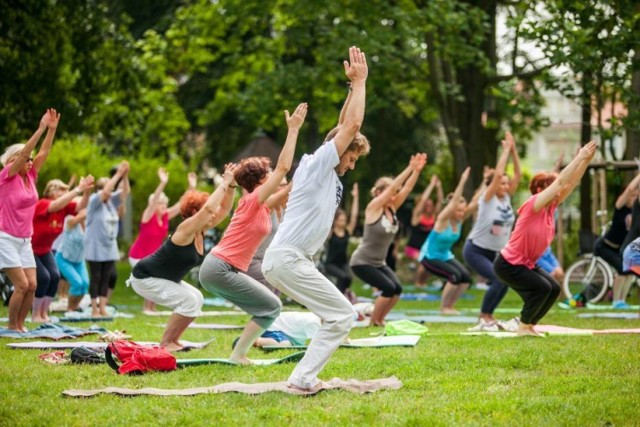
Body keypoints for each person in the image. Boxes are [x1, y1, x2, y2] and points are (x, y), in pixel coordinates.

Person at [262, 46, 369, 392]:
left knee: (335, 314)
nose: (351, 165)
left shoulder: (326, 172)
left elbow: (342, 125)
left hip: (293, 260)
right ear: (338, 149)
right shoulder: (318, 162)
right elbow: (349, 126)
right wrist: (363, 82)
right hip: (288, 258)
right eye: (352, 158)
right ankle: (303, 378)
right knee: (343, 316)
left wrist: (352, 88)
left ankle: (304, 375)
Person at [199, 103, 308, 364]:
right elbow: (283, 168)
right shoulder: (252, 200)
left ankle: (243, 350)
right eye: (268, 174)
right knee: (272, 306)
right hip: (219, 268)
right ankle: (239, 354)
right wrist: (293, 131)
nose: (274, 176)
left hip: (223, 269)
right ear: (260, 182)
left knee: (268, 307)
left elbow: (284, 189)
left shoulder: (260, 205)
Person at [493, 141, 597, 337]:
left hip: (526, 264)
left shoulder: (551, 207)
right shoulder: (534, 203)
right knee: (542, 288)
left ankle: (529, 325)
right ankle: (523, 327)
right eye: (551, 187)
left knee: (553, 288)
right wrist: (579, 156)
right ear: (540, 189)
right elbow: (560, 182)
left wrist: (585, 161)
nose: (557, 190)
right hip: (508, 264)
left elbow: (570, 183)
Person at [129, 166, 237, 352]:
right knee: (188, 299)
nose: (213, 215)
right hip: (144, 277)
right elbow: (211, 207)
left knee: (197, 297)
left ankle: (175, 341)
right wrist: (223, 183)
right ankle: (166, 343)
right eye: (207, 213)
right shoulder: (186, 229)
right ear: (196, 212)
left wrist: (232, 185)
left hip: (162, 278)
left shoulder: (202, 230)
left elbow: (225, 207)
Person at [0, 108, 60, 332]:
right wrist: (41, 128)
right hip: (5, 237)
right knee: (21, 284)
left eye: (31, 161)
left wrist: (51, 131)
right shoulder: (7, 176)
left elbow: (43, 152)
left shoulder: (30, 177)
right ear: (13, 160)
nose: (30, 162)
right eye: (26, 159)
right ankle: (11, 326)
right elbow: (27, 152)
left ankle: (21, 325)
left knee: (33, 285)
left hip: (25, 239)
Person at [351, 154, 428, 325]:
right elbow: (395, 187)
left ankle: (379, 319)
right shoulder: (373, 208)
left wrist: (416, 171)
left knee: (397, 289)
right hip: (362, 261)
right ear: (379, 193)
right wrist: (409, 168)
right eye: (389, 191)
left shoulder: (392, 208)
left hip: (379, 263)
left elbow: (405, 189)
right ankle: (373, 322)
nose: (394, 194)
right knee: (388, 288)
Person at [463, 133, 521, 331]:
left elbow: (518, 176)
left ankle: (489, 314)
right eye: (501, 183)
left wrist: (514, 152)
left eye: (506, 183)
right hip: (476, 250)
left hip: (494, 251)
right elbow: (497, 176)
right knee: (498, 278)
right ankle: (483, 315)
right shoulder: (488, 199)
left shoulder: (506, 199)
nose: (505, 185)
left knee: (505, 281)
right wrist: (504, 151)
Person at [129, 168, 197, 312]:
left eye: (164, 204)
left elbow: (181, 204)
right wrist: (162, 183)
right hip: (137, 256)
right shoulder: (148, 216)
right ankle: (147, 308)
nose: (163, 206)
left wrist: (191, 187)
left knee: (157, 275)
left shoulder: (165, 216)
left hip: (151, 257)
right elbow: (153, 201)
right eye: (161, 204)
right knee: (154, 276)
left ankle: (151, 308)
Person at [30, 176, 94, 322]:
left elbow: (81, 207)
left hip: (45, 250)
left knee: (55, 276)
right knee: (44, 277)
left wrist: (86, 192)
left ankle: (44, 313)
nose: (65, 193)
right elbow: (55, 205)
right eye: (61, 190)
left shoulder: (63, 208)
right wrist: (77, 189)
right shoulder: (43, 204)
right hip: (30, 249)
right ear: (51, 191)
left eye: (66, 190)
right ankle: (35, 315)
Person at [419, 167, 474, 314]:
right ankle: (443, 308)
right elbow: (453, 202)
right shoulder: (442, 220)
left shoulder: (460, 219)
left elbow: (475, 202)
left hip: (445, 256)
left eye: (463, 210)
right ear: (451, 209)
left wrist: (488, 184)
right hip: (429, 257)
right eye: (458, 209)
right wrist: (462, 181)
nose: (461, 212)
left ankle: (450, 306)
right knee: (454, 276)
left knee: (466, 278)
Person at [84, 161, 130, 317]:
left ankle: (103, 307)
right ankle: (94, 309)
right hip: (95, 246)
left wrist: (124, 176)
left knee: (107, 277)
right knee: (96, 276)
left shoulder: (111, 202)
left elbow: (125, 192)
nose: (110, 192)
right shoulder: (94, 201)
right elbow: (105, 192)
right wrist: (117, 174)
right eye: (107, 188)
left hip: (110, 246)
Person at [592, 172, 640, 308]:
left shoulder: (635, 211)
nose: (634, 197)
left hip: (619, 248)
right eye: (632, 196)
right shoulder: (620, 207)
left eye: (636, 196)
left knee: (631, 271)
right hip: (605, 246)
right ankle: (616, 301)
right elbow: (630, 188)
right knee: (622, 269)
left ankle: (622, 301)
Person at [245, 177, 292, 295]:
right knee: (271, 278)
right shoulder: (265, 206)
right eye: (281, 185)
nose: (284, 188)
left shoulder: (283, 209)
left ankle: (269, 311)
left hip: (269, 261)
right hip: (252, 261)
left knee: (280, 280)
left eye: (285, 184)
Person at [323, 183, 359, 302]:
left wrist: (356, 197)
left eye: (344, 220)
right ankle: (337, 299)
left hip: (343, 263)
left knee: (348, 278)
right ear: (336, 220)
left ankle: (340, 298)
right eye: (341, 220)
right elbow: (327, 216)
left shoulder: (347, 231)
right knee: (343, 277)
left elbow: (354, 216)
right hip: (331, 264)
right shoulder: (331, 233)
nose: (343, 222)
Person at [405, 175, 443, 287]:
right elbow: (422, 200)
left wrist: (439, 187)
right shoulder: (417, 216)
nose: (429, 206)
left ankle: (422, 283)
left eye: (431, 204)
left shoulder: (433, 217)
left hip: (425, 249)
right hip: (412, 248)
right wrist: (431, 185)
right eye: (427, 204)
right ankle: (417, 284)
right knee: (425, 262)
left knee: (428, 264)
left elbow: (440, 201)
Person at [55, 208, 90, 312]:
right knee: (77, 283)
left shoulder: (89, 224)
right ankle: (70, 308)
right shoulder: (69, 220)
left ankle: (75, 307)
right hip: (64, 258)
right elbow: (78, 218)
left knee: (85, 284)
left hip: (79, 260)